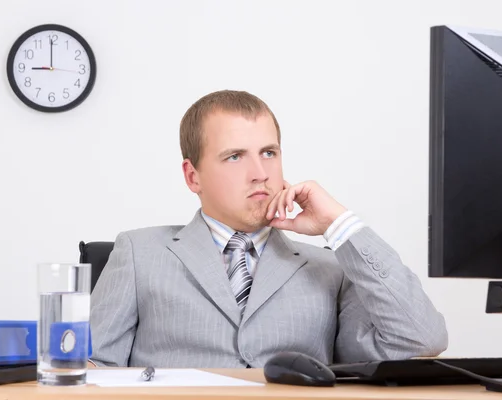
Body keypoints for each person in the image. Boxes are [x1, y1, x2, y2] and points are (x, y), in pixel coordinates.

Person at [89, 90, 448, 368]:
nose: (260, 172)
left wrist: (339, 224)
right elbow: (89, 372)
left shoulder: (332, 269)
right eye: (235, 156)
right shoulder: (139, 253)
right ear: (192, 176)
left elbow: (421, 339)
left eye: (269, 153)